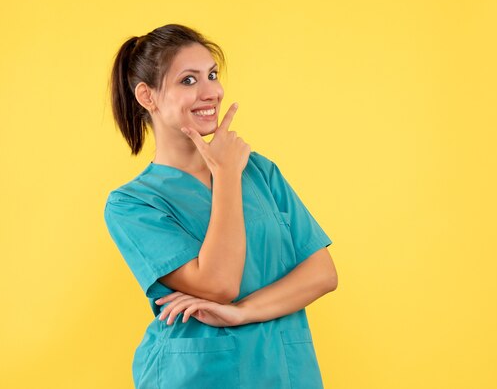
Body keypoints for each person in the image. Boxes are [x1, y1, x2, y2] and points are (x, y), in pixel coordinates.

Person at [103, 23, 338, 389]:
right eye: (189, 80)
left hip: (287, 372)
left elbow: (322, 273)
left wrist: (241, 313)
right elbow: (218, 284)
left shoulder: (259, 171)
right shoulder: (133, 204)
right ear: (147, 97)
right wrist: (226, 176)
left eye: (212, 75)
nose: (211, 91)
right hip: (197, 377)